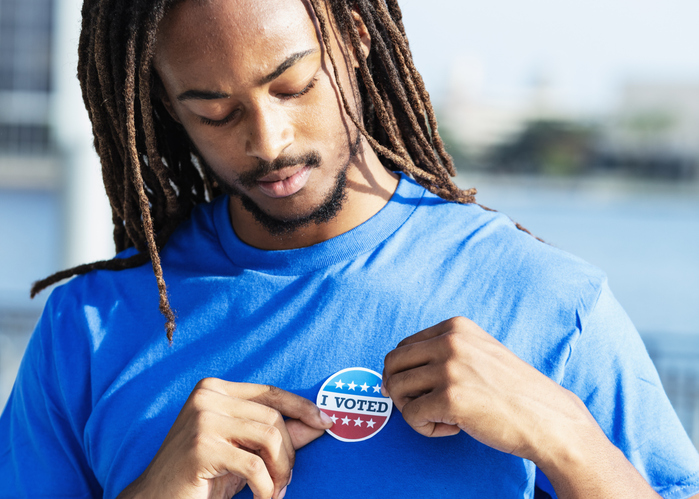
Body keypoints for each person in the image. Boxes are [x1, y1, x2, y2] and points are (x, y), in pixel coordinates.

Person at [1, 0, 698, 497]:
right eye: (216, 111)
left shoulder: (547, 301)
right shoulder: (89, 324)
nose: (269, 141)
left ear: (355, 36)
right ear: (164, 102)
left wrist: (567, 441)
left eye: (293, 85)